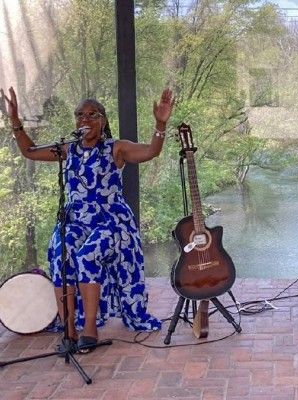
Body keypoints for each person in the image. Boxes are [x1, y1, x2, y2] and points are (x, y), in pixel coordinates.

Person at [1, 86, 175, 353]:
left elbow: (151, 151)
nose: (85, 119)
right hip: (75, 220)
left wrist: (160, 124)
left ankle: (90, 328)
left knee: (87, 256)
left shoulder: (116, 148)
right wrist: (15, 120)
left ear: (103, 120)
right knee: (60, 254)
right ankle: (69, 329)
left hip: (110, 222)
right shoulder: (68, 149)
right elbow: (30, 152)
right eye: (80, 115)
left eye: (92, 114)